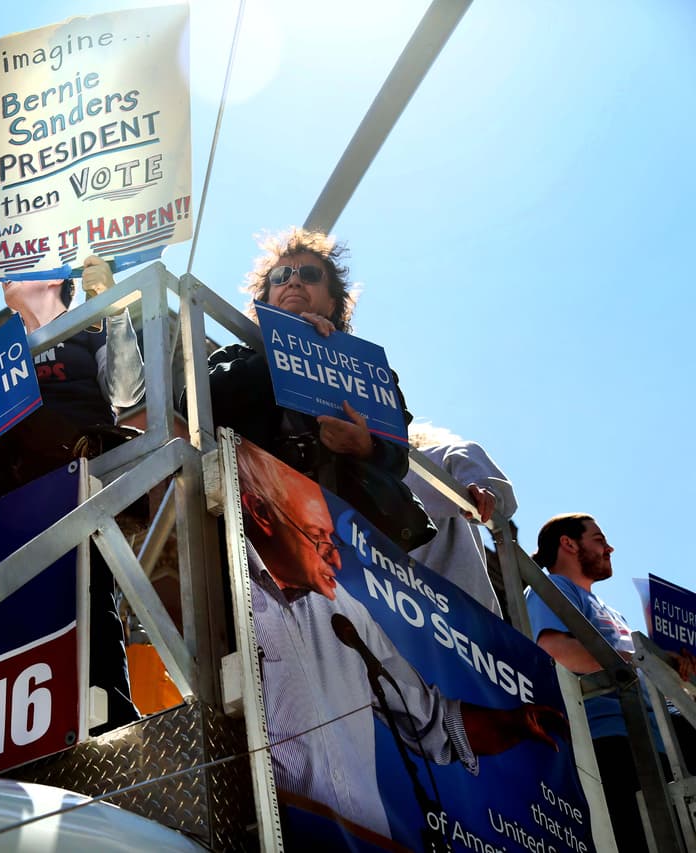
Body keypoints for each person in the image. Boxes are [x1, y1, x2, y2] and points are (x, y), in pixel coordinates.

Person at [239, 440, 567, 843]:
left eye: (332, 541)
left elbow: (425, 717)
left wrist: (512, 722)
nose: (337, 559)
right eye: (320, 539)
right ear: (262, 513)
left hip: (365, 841)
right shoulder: (229, 583)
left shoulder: (348, 614)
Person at [0, 255, 145, 730]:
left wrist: (113, 309)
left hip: (71, 479)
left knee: (85, 595)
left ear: (57, 280)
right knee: (10, 609)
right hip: (9, 494)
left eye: (28, 265)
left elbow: (128, 392)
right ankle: (19, 725)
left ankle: (109, 714)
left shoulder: (89, 329)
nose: (7, 274)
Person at [202, 227, 433, 553]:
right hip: (261, 534)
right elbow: (196, 403)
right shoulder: (235, 359)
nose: (293, 282)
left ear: (332, 302)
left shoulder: (369, 372)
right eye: (280, 276)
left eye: (309, 275)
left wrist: (365, 446)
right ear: (267, 298)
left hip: (352, 547)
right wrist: (285, 352)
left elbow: (397, 456)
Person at [525, 513, 696, 850]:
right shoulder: (553, 588)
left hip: (656, 738)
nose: (610, 548)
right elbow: (553, 649)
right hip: (613, 739)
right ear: (569, 544)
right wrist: (637, 660)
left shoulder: (610, 610)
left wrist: (671, 666)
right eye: (600, 540)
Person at [404, 423, 515, 616]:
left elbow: (460, 454)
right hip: (460, 612)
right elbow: (462, 452)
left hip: (424, 607)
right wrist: (483, 485)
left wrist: (481, 486)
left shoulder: (412, 473)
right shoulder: (419, 470)